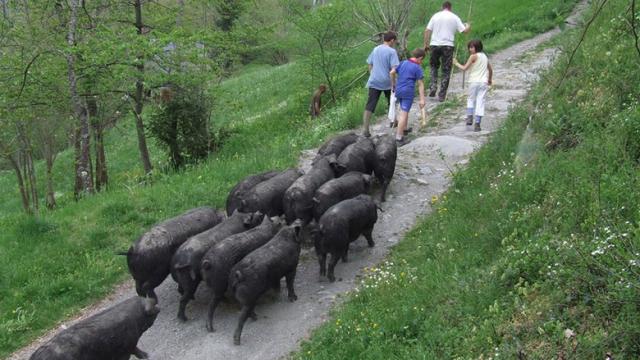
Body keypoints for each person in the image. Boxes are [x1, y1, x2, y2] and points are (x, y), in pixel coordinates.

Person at [424, 1, 470, 102]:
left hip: (434, 44)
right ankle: (442, 95)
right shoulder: (454, 17)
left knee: (433, 66)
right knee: (446, 70)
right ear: (450, 8)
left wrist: (426, 45)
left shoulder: (435, 16)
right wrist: (468, 26)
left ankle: (433, 87)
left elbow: (427, 31)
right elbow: (464, 31)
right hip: (448, 46)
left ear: (442, 7)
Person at [362, 31, 400, 137]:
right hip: (387, 81)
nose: (395, 43)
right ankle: (393, 121)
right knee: (391, 101)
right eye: (395, 41)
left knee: (370, 104)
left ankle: (365, 130)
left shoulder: (376, 49)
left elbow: (369, 63)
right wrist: (394, 83)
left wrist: (372, 75)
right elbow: (394, 69)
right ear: (392, 40)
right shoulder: (392, 52)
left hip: (374, 80)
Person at [453, 39, 493, 132]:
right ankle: (478, 123)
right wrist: (490, 79)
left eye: (471, 47)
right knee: (480, 101)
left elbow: (464, 68)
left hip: (473, 81)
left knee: (471, 99)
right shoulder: (485, 57)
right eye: (469, 47)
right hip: (483, 82)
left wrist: (456, 63)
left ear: (476, 47)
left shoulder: (473, 56)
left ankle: (470, 117)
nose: (470, 49)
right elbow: (490, 70)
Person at [390, 48, 426, 146]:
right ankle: (399, 138)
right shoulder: (417, 67)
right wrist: (422, 99)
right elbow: (420, 84)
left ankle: (404, 129)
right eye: (422, 60)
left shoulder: (403, 63)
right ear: (420, 58)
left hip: (399, 90)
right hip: (408, 91)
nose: (421, 62)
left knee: (403, 110)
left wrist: (393, 84)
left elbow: (392, 72)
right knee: (404, 113)